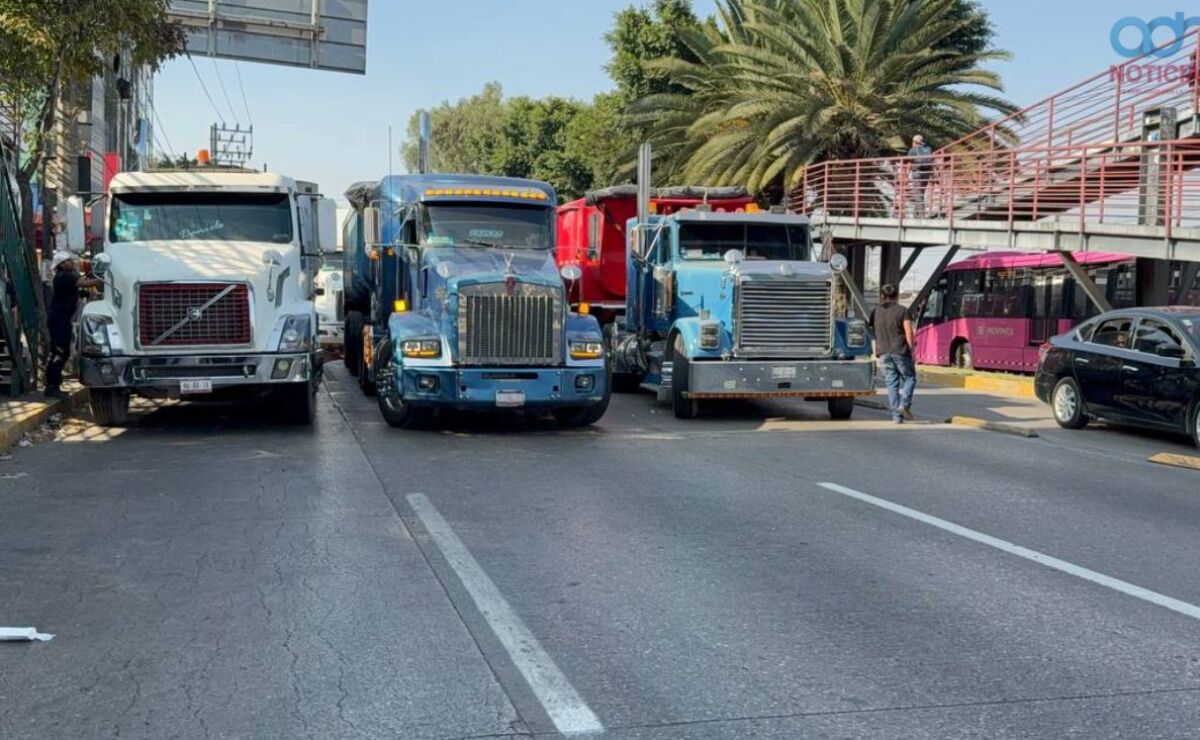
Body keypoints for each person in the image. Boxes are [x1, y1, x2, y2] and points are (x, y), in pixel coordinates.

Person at [44, 251, 100, 398]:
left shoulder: (65, 277)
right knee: (60, 352)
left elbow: (76, 287)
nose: (72, 263)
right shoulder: (64, 276)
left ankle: (51, 384)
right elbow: (83, 283)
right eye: (68, 261)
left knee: (58, 352)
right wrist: (102, 280)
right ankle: (52, 387)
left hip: (61, 320)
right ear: (61, 264)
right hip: (59, 320)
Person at [870, 284, 916, 423]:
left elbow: (872, 330)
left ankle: (896, 416)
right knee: (910, 378)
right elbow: (908, 331)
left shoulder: (875, 311)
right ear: (896, 296)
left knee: (891, 383)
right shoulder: (903, 311)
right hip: (900, 350)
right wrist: (912, 349)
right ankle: (904, 404)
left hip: (883, 352)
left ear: (882, 296)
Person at [906, 135, 934, 216]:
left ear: (914, 142)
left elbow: (909, 162)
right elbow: (932, 161)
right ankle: (916, 214)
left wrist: (907, 175)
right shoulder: (929, 149)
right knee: (920, 193)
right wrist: (932, 174)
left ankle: (922, 213)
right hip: (927, 173)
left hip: (917, 173)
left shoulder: (913, 150)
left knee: (917, 193)